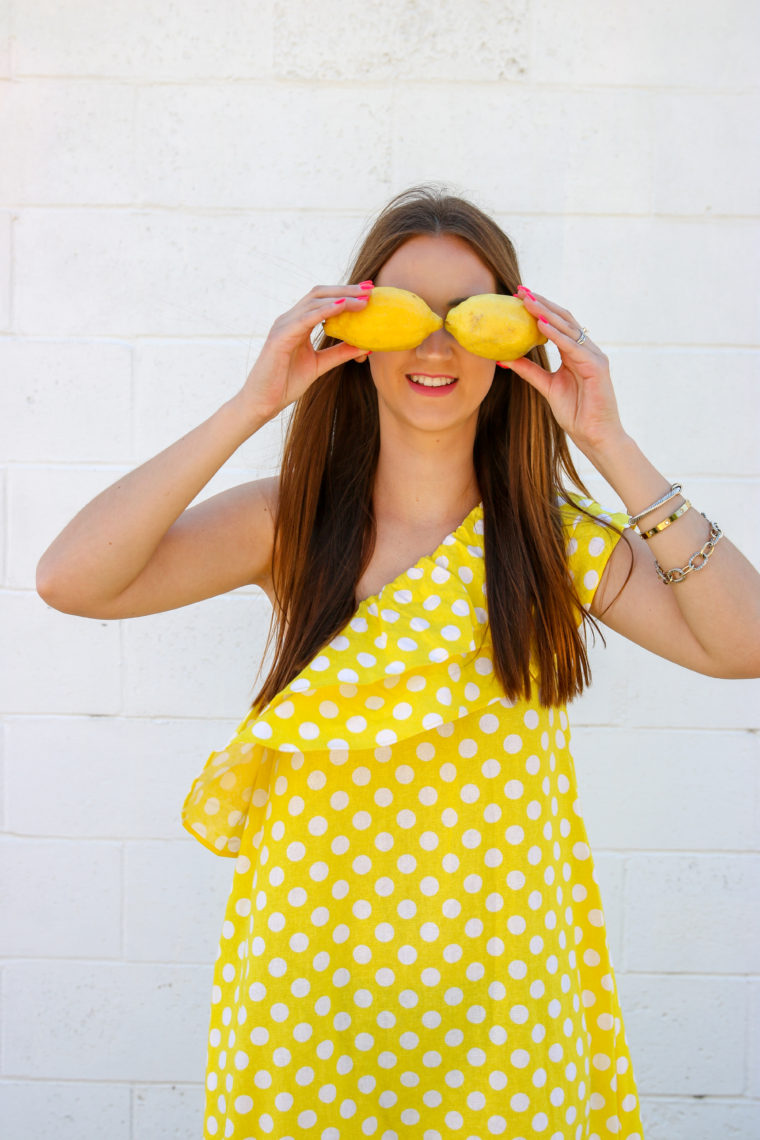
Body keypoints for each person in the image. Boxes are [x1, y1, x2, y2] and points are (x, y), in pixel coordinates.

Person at [37, 184, 760, 1140]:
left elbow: (740, 644)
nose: (437, 346)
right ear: (357, 332)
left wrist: (607, 439)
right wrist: (252, 403)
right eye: (408, 313)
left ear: (516, 345)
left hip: (506, 1009)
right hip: (307, 998)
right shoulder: (286, 523)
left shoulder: (554, 540)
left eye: (473, 317)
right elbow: (70, 580)